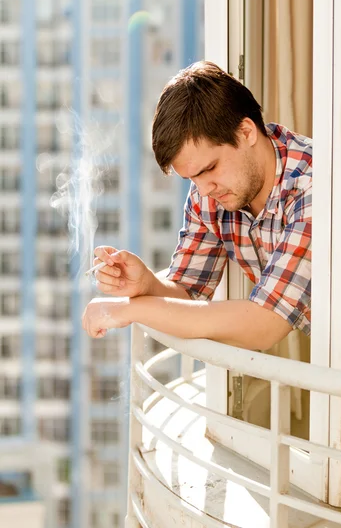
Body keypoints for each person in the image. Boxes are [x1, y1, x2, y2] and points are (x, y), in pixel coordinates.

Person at [82, 61, 312, 351]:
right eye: (192, 178)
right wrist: (147, 286)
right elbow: (189, 292)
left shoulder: (310, 187)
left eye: (209, 169)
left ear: (246, 132)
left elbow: (264, 323)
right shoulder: (210, 190)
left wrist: (130, 311)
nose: (203, 190)